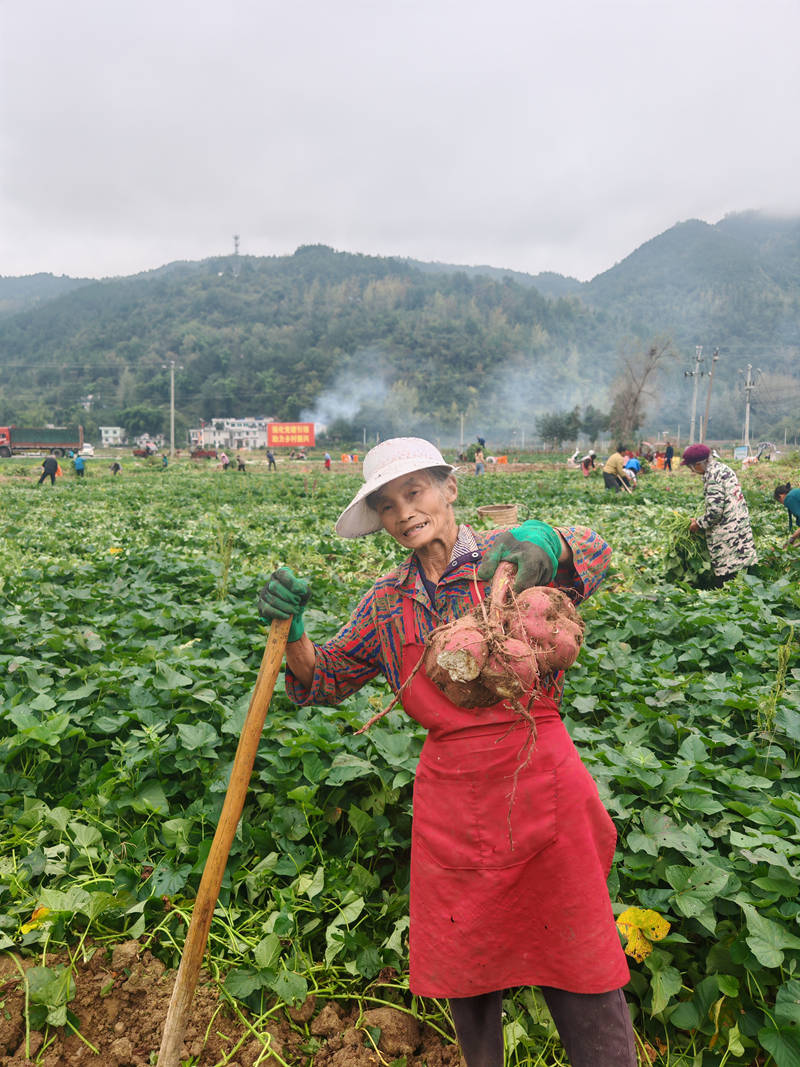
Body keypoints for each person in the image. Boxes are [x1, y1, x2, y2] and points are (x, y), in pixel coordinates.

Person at [257, 437, 636, 1067]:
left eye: (415, 492)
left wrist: (550, 538)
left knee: (579, 955)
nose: (404, 511)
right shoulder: (386, 601)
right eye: (386, 504)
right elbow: (322, 677)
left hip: (537, 774)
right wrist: (294, 635)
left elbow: (596, 552)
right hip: (452, 799)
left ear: (449, 488)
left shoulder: (505, 560)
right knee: (466, 969)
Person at [682, 444, 758, 584]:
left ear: (699, 464)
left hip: (728, 533)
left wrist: (697, 523)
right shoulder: (722, 468)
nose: (692, 471)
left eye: (691, 467)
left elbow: (715, 512)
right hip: (739, 526)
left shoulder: (712, 476)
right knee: (743, 577)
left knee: (728, 579)